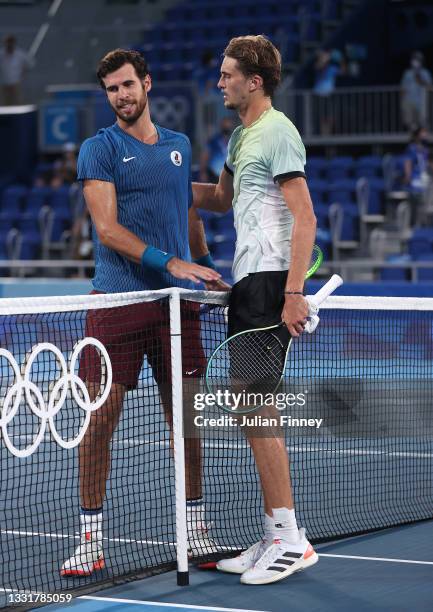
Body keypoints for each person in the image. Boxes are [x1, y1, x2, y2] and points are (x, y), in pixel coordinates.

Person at [61, 48, 225, 577]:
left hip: (177, 308)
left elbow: (189, 210)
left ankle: (195, 528)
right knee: (100, 420)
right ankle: (90, 537)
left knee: (188, 420)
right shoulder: (99, 149)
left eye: (128, 85)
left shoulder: (177, 145)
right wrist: (171, 261)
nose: (121, 96)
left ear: (147, 84)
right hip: (119, 302)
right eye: (112, 89)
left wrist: (204, 268)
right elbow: (106, 229)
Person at [192, 35, 318, 585]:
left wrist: (293, 292)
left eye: (227, 74)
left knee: (257, 407)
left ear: (254, 81)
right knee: (248, 409)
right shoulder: (241, 137)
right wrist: (157, 181)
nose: (220, 82)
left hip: (270, 284)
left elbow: (305, 218)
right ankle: (273, 533)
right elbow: (219, 201)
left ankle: (291, 539)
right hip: (248, 282)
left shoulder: (278, 131)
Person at [400, 51, 432, 131]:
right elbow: (403, 88)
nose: (415, 62)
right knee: (409, 121)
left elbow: (429, 86)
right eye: (414, 59)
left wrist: (420, 80)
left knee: (422, 121)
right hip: (409, 100)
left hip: (421, 101)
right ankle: (413, 135)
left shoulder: (425, 73)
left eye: (418, 59)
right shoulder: (407, 73)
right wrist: (402, 99)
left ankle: (423, 135)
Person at [0, 35, 33, 105]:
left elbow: (30, 63)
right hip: (3, 83)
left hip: (16, 83)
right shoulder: (1, 54)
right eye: (8, 43)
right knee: (4, 103)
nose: (9, 45)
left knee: (18, 102)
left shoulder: (20, 54)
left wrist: (23, 72)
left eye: (11, 43)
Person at [199, 117, 234, 183]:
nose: (227, 127)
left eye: (229, 125)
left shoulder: (234, 141)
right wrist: (203, 172)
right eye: (225, 125)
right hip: (214, 175)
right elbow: (205, 155)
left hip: (230, 176)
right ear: (221, 126)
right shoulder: (213, 141)